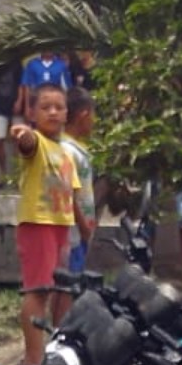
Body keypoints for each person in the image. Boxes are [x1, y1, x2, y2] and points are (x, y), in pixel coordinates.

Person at [9, 83, 87, 365]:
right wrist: (23, 134)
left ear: (67, 113)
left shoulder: (65, 153)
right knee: (38, 290)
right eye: (45, 107)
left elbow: (73, 197)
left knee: (59, 289)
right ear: (32, 112)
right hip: (38, 223)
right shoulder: (38, 143)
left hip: (61, 226)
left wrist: (85, 230)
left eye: (58, 107)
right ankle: (32, 358)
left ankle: (56, 350)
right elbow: (26, 144)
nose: (53, 112)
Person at [60, 87, 99, 276]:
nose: (94, 121)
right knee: (70, 285)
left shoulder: (77, 149)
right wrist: (84, 227)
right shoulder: (67, 151)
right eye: (93, 115)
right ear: (83, 115)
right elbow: (67, 194)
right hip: (72, 235)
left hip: (78, 235)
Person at [0, 60, 21, 186]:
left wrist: (19, 101)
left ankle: (17, 175)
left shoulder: (17, 63)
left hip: (16, 107)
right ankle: (3, 174)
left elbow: (21, 84)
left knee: (18, 140)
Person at [15, 50, 70, 121]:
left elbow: (65, 88)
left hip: (54, 103)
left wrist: (65, 106)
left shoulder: (61, 65)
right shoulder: (32, 64)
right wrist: (27, 107)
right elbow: (27, 86)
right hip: (37, 102)